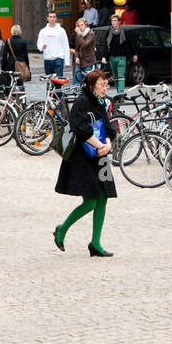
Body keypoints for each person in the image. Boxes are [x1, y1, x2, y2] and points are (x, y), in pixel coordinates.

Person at [52, 69, 117, 257]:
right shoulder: (82, 101)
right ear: (91, 85)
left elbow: (108, 127)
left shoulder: (100, 102)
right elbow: (78, 128)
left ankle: (95, 243)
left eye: (106, 84)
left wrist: (108, 145)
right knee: (90, 200)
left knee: (103, 197)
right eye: (102, 84)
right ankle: (62, 229)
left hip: (101, 156)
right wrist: (99, 146)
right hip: (84, 158)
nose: (105, 88)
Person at [100, 14, 137, 93]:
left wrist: (134, 54)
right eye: (112, 21)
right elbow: (106, 45)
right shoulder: (109, 32)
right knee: (115, 76)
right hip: (112, 57)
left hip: (122, 57)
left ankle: (120, 92)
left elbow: (130, 44)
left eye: (115, 21)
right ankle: (118, 92)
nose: (112, 22)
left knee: (121, 75)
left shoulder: (123, 32)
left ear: (119, 22)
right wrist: (104, 56)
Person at [37, 10, 70, 79]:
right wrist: (42, 47)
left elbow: (66, 46)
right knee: (49, 81)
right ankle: (51, 90)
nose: (52, 19)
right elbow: (39, 45)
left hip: (59, 58)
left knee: (58, 80)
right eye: (50, 17)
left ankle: (58, 90)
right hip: (48, 58)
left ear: (56, 18)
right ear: (47, 18)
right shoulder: (43, 31)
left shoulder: (61, 30)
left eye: (54, 17)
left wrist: (67, 61)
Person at [72, 17, 97, 85]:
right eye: (79, 26)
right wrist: (76, 57)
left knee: (88, 82)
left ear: (86, 25)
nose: (80, 27)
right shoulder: (79, 35)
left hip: (88, 61)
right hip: (80, 62)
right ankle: (76, 94)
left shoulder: (91, 34)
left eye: (82, 25)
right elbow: (76, 49)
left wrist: (79, 34)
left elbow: (84, 45)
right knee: (76, 82)